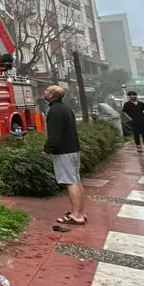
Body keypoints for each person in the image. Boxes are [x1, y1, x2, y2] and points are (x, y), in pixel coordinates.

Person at [42, 85, 85, 225]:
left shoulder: (54, 111)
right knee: (76, 181)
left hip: (64, 152)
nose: (45, 92)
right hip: (73, 149)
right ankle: (80, 212)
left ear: (51, 95)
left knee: (70, 182)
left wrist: (47, 150)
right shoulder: (66, 108)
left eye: (47, 90)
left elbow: (54, 135)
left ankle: (76, 216)